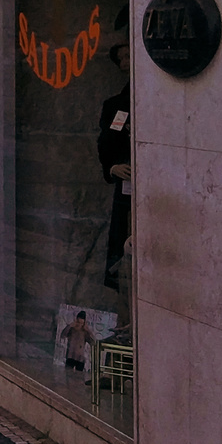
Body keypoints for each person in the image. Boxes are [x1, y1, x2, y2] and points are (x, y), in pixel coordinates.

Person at [98, 43, 132, 290]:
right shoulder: (115, 106)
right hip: (127, 186)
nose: (129, 59)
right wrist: (112, 168)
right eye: (124, 57)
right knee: (122, 245)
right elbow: (106, 144)